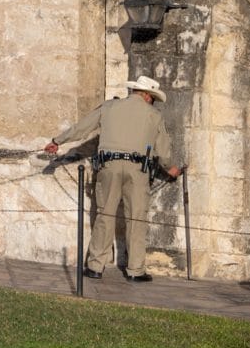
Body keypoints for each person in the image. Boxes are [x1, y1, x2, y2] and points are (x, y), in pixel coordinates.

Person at [43, 75, 183, 281]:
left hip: (109, 165)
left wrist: (57, 141)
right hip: (138, 170)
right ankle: (136, 270)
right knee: (136, 218)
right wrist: (171, 168)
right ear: (146, 95)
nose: (152, 101)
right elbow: (163, 150)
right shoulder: (154, 115)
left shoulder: (109, 107)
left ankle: (95, 266)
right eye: (152, 98)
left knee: (105, 215)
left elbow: (82, 128)